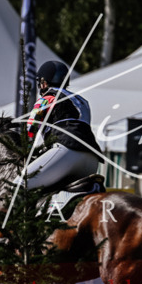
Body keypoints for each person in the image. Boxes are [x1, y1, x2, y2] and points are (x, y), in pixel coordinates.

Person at [24, 61, 100, 191]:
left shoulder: (48, 98)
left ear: (44, 82)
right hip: (92, 159)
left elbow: (30, 129)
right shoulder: (83, 101)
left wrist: (25, 150)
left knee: (18, 186)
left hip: (67, 153)